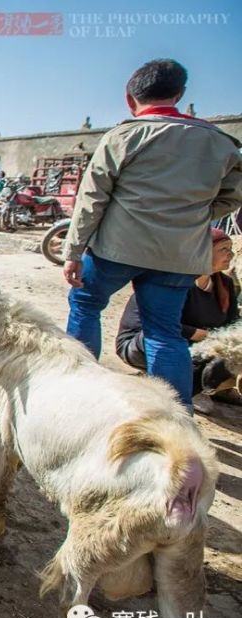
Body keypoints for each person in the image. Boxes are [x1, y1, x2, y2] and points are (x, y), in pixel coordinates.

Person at [63, 58, 242, 410]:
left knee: (85, 304)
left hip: (116, 250)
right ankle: (176, 414)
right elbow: (233, 196)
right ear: (179, 94)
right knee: (164, 331)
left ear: (131, 99)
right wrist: (189, 219)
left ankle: (76, 393)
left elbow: (92, 198)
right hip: (178, 257)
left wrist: (72, 252)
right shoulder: (221, 144)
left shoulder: (124, 136)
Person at [116, 227, 238, 396]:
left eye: (230, 249)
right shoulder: (173, 279)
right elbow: (155, 321)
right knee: (183, 347)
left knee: (230, 352)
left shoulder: (224, 284)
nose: (230, 255)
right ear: (202, 252)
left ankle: (199, 389)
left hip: (198, 342)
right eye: (223, 249)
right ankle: (182, 392)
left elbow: (233, 323)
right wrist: (197, 334)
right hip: (145, 340)